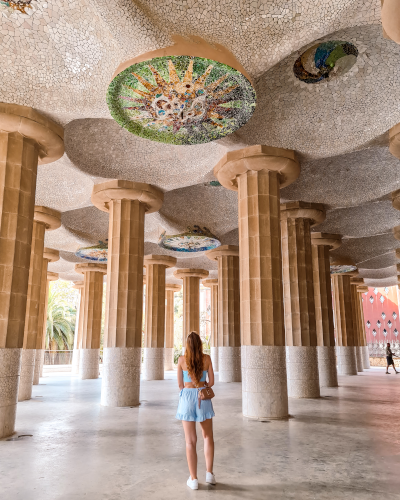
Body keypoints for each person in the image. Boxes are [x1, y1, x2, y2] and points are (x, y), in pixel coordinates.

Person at [176, 332, 216, 490]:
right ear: (200, 344)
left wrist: (188, 390)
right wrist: (202, 384)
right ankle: (209, 474)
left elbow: (180, 385)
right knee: (207, 437)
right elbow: (211, 382)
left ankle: (193, 479)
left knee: (190, 441)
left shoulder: (181, 360)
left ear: (187, 344)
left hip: (186, 398)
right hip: (202, 396)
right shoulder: (206, 359)